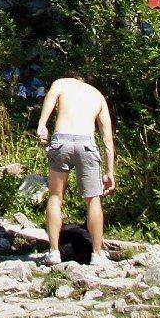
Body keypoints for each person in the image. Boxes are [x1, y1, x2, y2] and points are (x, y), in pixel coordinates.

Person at [35, 73, 117, 266]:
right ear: (83, 81)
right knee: (93, 199)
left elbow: (50, 99)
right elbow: (107, 138)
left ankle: (54, 252)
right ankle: (97, 254)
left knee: (55, 196)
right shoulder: (97, 94)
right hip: (86, 143)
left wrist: (42, 124)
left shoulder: (61, 83)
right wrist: (110, 171)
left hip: (61, 139)